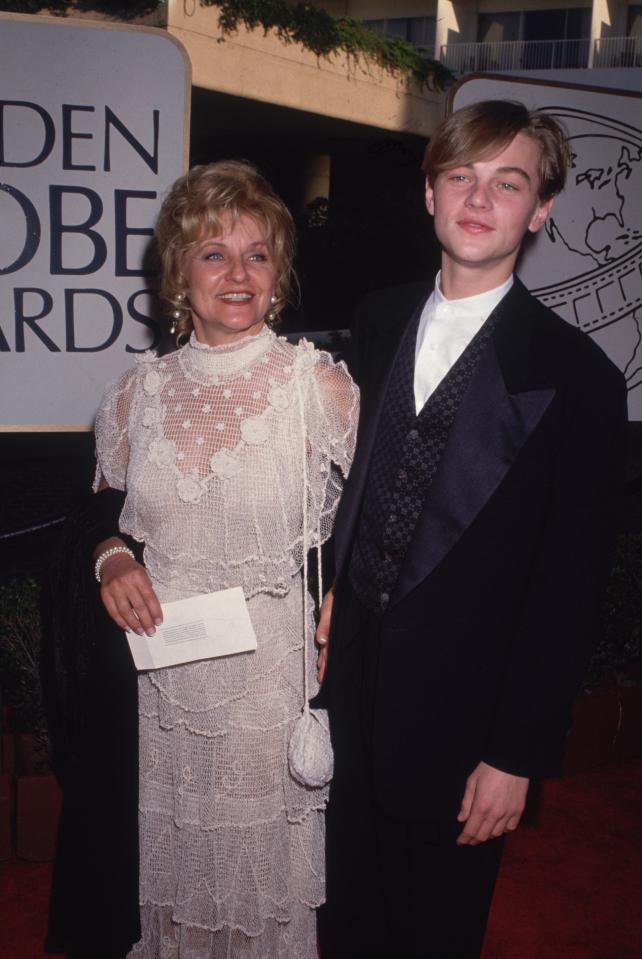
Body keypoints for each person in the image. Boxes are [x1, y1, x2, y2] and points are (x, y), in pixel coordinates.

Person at [314, 100, 628, 959]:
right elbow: (349, 479)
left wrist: (516, 754)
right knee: (341, 926)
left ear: (542, 209)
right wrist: (338, 578)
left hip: (466, 727)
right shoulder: (377, 321)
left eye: (508, 181)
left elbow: (568, 591)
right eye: (462, 175)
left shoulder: (581, 380)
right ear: (430, 193)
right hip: (351, 697)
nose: (480, 198)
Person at [44, 161, 359, 959]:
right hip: (158, 685)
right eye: (214, 252)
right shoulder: (134, 395)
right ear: (179, 271)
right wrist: (111, 555)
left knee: (259, 894)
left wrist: (345, 599)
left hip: (267, 686)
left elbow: (381, 524)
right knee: (168, 880)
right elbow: (96, 513)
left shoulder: (315, 387)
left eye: (257, 254)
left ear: (278, 273)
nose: (238, 272)